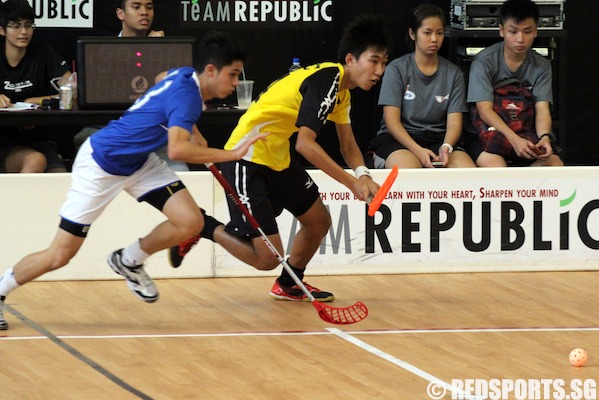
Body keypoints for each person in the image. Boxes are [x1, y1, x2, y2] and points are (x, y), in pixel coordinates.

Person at [0, 31, 267, 330]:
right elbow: (178, 149)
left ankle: (128, 259)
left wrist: (191, 132)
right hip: (102, 163)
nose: (235, 84)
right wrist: (231, 154)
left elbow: (159, 77)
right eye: (232, 75)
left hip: (138, 162)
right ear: (210, 71)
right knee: (59, 255)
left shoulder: (183, 76)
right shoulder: (188, 98)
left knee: (190, 221)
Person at [168, 15, 392, 303]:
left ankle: (289, 283)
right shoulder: (326, 79)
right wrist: (351, 183)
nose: (379, 70)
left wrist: (364, 175)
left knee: (318, 220)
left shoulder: (341, 93)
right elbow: (305, 145)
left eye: (384, 63)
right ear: (351, 59)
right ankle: (203, 226)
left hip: (276, 157)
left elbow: (347, 144)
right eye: (374, 61)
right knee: (265, 258)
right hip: (246, 158)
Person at [74, 0, 188, 171]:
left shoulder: (169, 50)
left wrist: (160, 50)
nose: (144, 12)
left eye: (149, 7)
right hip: (109, 130)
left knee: (182, 174)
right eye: (136, 7)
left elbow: (177, 97)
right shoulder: (99, 52)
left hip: (153, 133)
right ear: (121, 14)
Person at [368, 4, 475, 169]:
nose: (434, 39)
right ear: (413, 34)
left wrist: (446, 147)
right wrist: (418, 151)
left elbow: (454, 123)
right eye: (427, 33)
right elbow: (392, 121)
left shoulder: (454, 74)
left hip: (438, 140)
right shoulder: (396, 69)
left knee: (466, 172)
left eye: (439, 33)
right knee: (409, 173)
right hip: (399, 140)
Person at [464, 0, 563, 167]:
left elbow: (542, 109)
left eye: (527, 32)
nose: (520, 39)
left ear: (536, 32)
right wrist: (513, 140)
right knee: (497, 167)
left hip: (525, 132)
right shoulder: (484, 62)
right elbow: (484, 110)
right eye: (513, 32)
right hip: (488, 135)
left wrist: (545, 137)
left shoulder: (542, 65)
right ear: (501, 31)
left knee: (554, 164)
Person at [0, 0, 72, 173]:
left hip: (38, 139)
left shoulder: (42, 52)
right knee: (35, 161)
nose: (24, 31)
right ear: (2, 29)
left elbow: (70, 89)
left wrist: (35, 102)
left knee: (60, 179)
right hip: (3, 140)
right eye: (16, 25)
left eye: (28, 25)